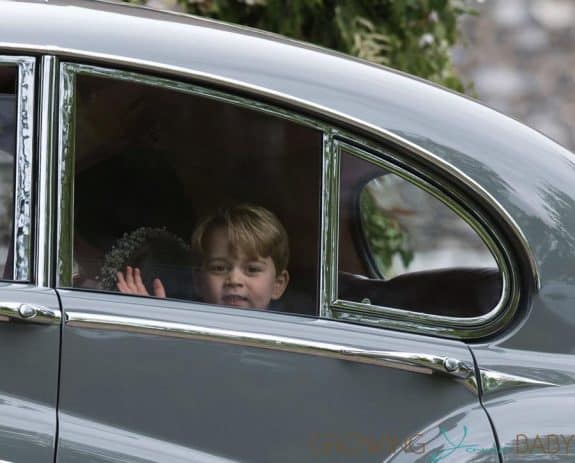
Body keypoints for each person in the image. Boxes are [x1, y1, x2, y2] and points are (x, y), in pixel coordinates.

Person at [116, 204, 290, 310]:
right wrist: (156, 321)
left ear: (277, 285)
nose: (234, 280)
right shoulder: (189, 325)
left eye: (252, 269)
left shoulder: (290, 336)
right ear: (198, 281)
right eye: (219, 268)